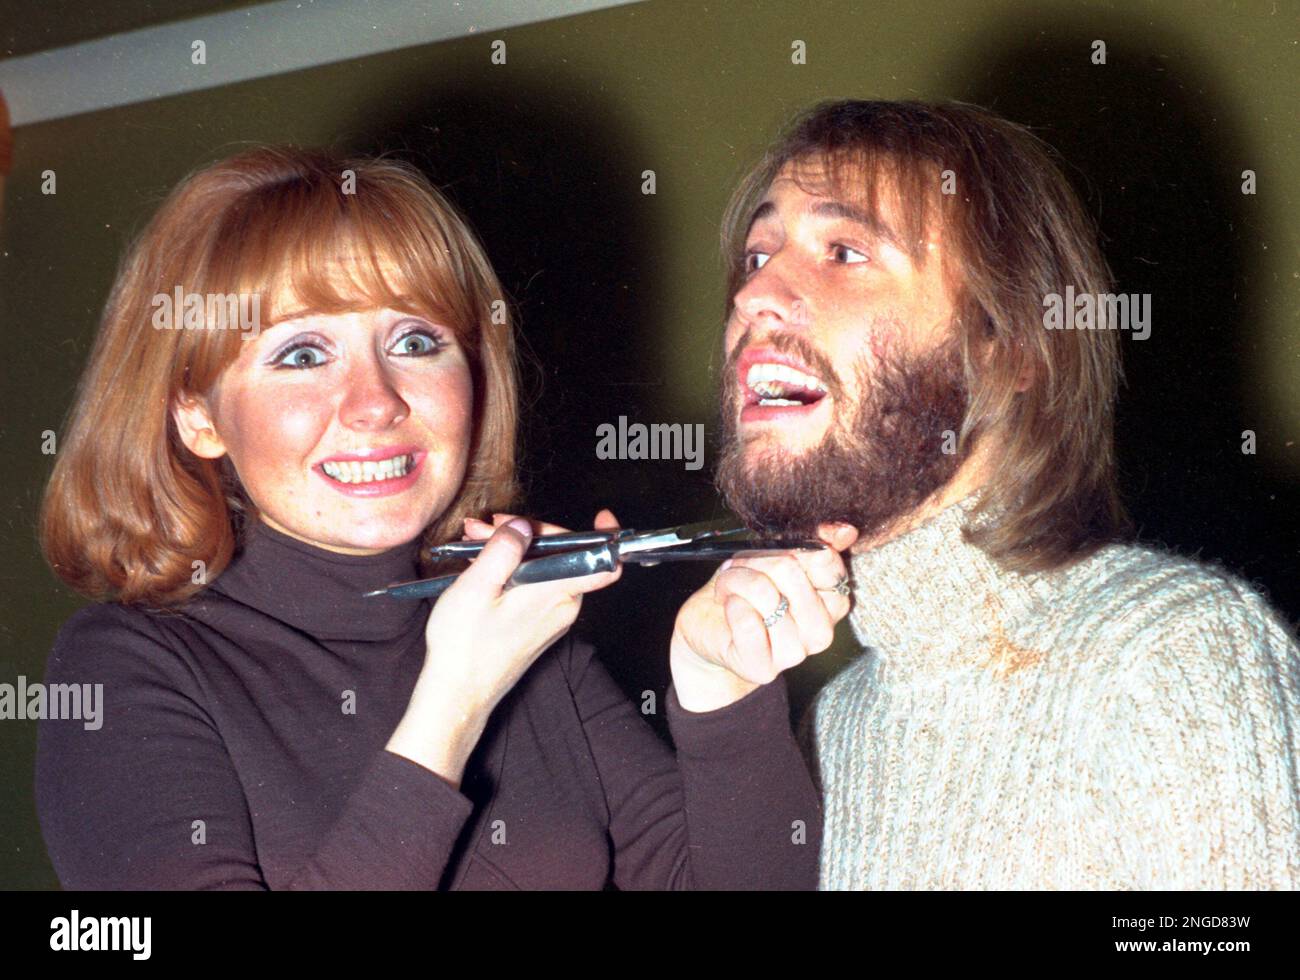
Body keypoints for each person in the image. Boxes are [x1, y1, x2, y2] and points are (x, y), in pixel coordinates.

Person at [35, 145, 847, 890]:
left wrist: (722, 687)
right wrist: (452, 704)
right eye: (303, 355)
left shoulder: (527, 642)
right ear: (197, 418)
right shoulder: (128, 667)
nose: (376, 403)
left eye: (417, 341)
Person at [704, 99, 1300, 889]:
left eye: (844, 250)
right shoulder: (832, 728)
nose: (755, 295)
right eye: (756, 257)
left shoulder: (1171, 654)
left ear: (1011, 349)